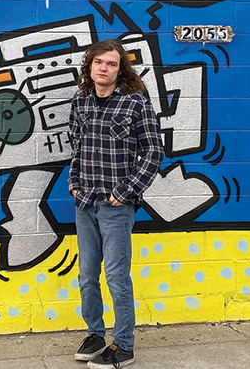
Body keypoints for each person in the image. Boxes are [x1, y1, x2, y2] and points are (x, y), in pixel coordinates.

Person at [68, 40, 165, 368]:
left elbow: (153, 151)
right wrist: (74, 185)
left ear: (120, 69)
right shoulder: (80, 101)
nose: (103, 68)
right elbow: (76, 147)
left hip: (115, 206)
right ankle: (95, 334)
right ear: (89, 66)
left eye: (110, 63)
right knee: (86, 274)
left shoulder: (135, 103)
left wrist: (126, 193)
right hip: (85, 202)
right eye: (98, 62)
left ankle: (124, 345)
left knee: (116, 276)